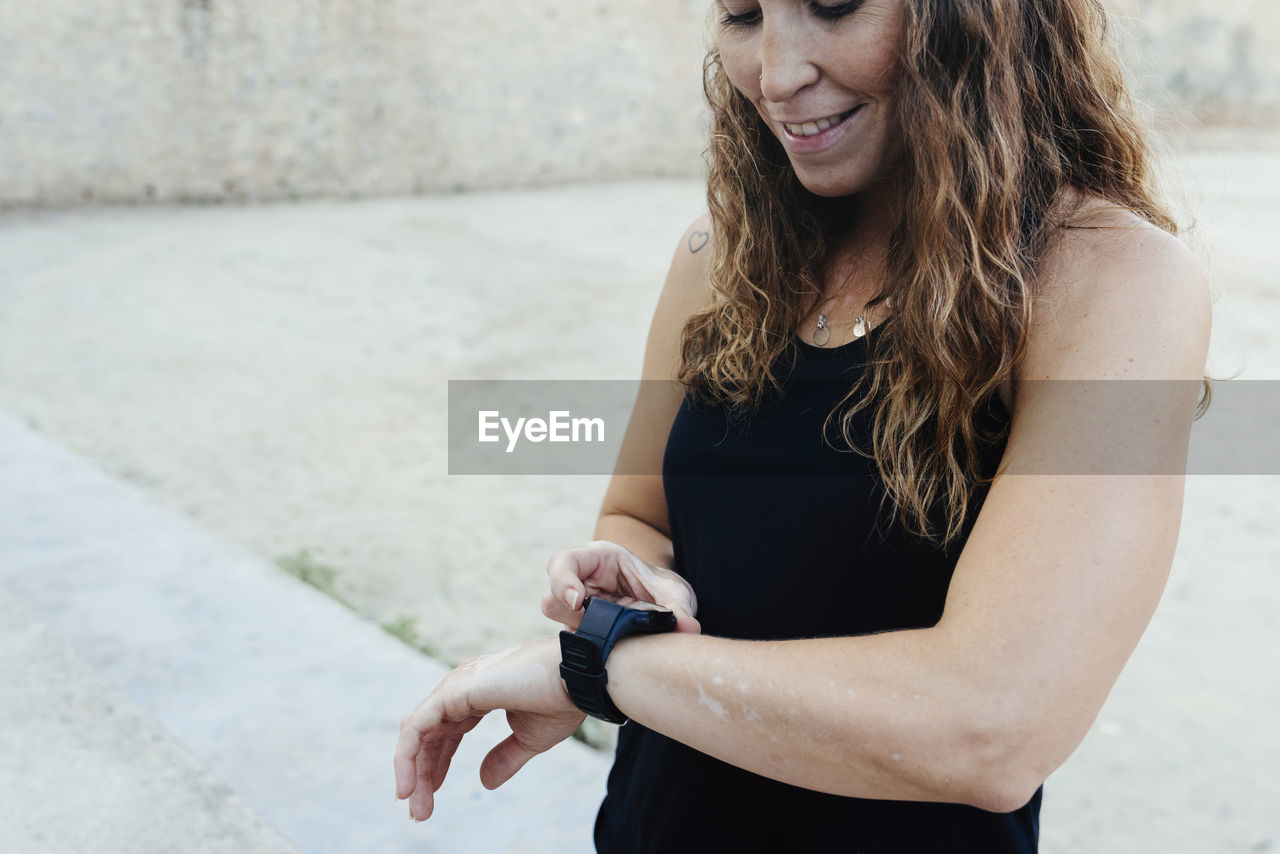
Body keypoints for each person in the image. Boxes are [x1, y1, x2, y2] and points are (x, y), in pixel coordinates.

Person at [394, 0, 1214, 851]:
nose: (777, 75)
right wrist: (637, 585)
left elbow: (991, 726)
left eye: (834, 6)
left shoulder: (1113, 284)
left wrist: (602, 666)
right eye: (743, 15)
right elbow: (638, 515)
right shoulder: (719, 259)